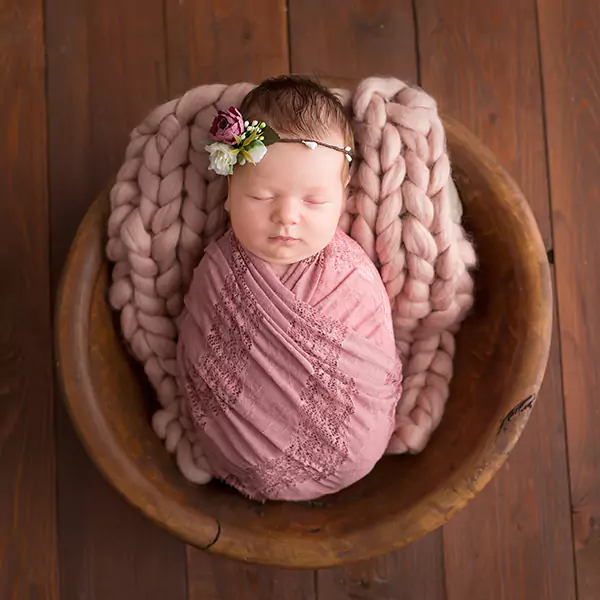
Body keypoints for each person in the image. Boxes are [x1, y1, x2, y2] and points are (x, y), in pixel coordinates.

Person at [176, 75, 403, 502]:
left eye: (314, 202)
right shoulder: (218, 269)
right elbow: (197, 349)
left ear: (342, 197)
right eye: (262, 197)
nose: (286, 217)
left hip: (353, 447)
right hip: (236, 447)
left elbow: (377, 361)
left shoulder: (352, 274)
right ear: (229, 192)